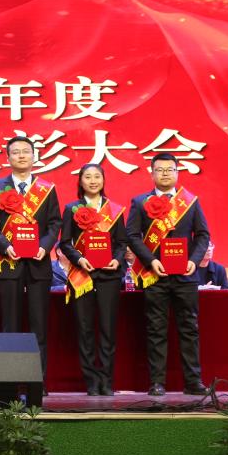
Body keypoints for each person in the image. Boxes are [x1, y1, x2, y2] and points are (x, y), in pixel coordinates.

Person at [127, 152, 211, 397]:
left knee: (189, 328)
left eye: (169, 169)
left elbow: (202, 235)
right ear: (152, 173)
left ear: (177, 172)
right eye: (159, 170)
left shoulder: (190, 201)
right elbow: (132, 235)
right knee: (156, 329)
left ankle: (193, 381)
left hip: (185, 276)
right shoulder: (140, 202)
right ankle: (157, 383)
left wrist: (194, 261)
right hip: (155, 275)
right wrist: (151, 260)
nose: (164, 174)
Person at [0, 136, 62, 380]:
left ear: (34, 156)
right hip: (9, 263)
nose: (21, 155)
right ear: (8, 158)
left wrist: (44, 247)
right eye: (16, 152)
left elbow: (55, 223)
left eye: (26, 151)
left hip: (39, 264)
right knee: (11, 325)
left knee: (39, 326)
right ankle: (11, 379)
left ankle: (38, 380)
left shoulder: (46, 189)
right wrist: (5, 247)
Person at [59, 163, 128, 396]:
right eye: (87, 177)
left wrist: (117, 259)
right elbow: (65, 243)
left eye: (97, 176)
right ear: (80, 181)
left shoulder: (114, 209)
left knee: (108, 329)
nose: (93, 181)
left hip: (109, 275)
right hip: (82, 275)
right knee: (85, 329)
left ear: (103, 180)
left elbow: (121, 242)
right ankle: (91, 381)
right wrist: (79, 259)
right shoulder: (71, 209)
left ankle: (106, 381)